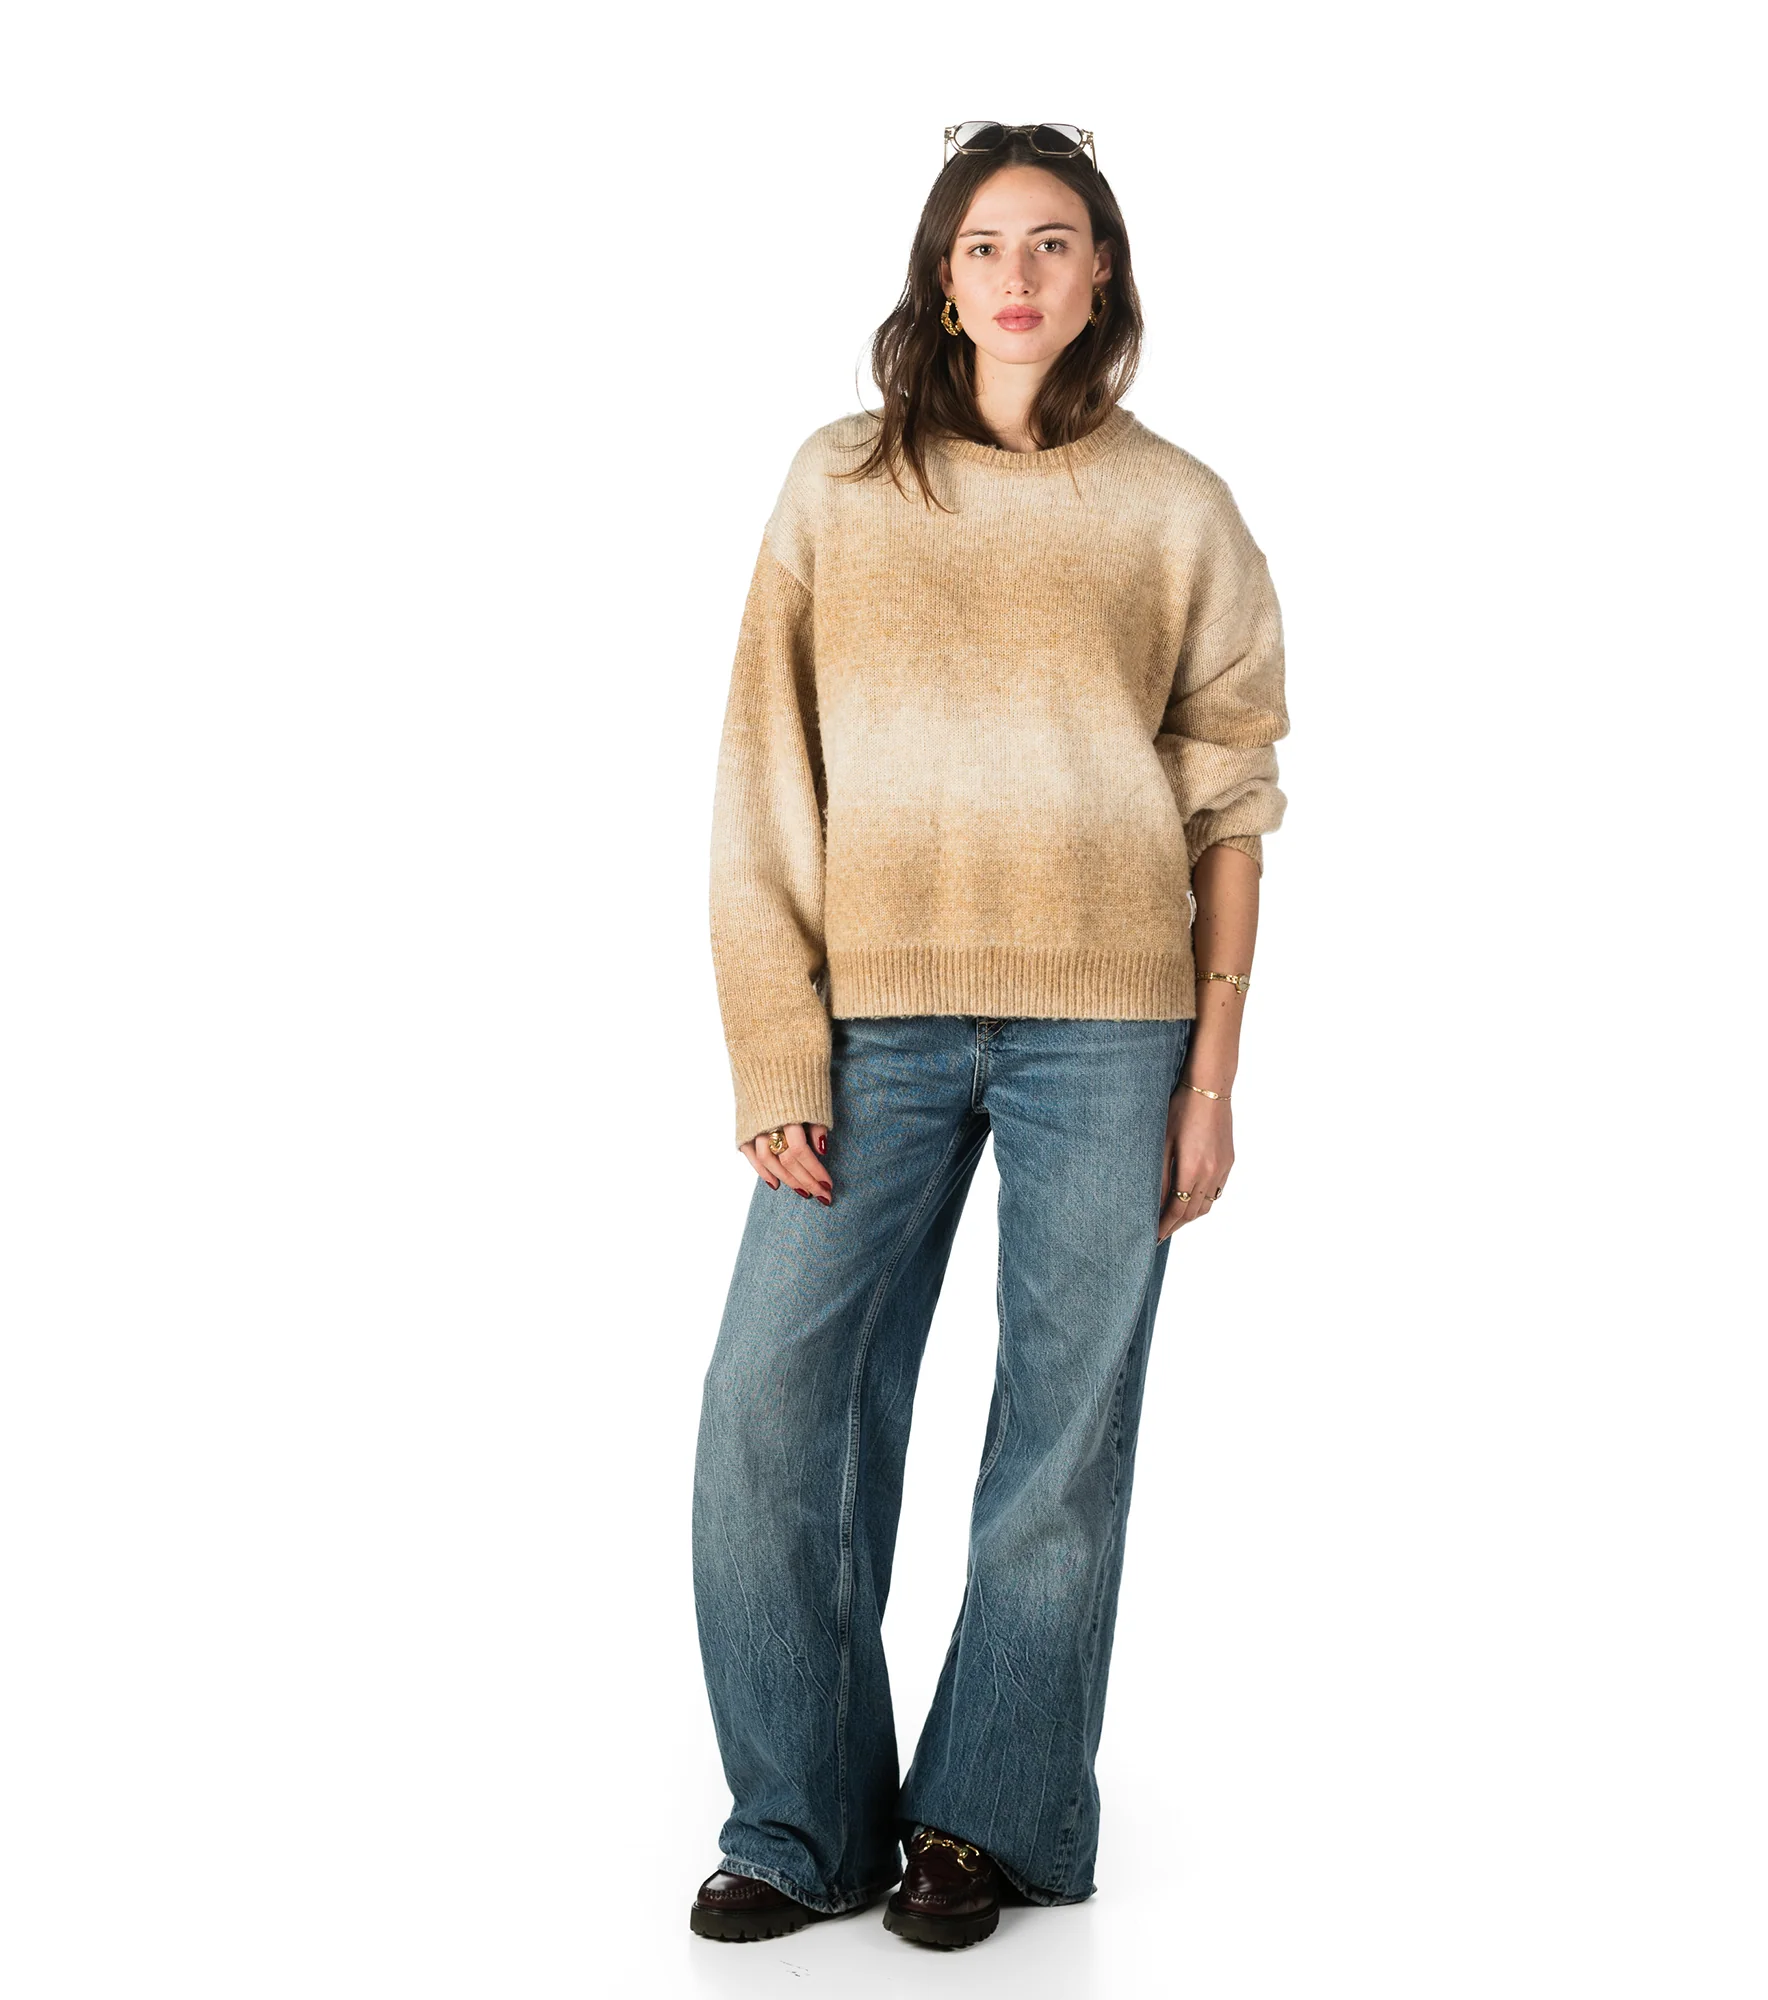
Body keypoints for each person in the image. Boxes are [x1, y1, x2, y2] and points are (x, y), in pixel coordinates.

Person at [689, 119, 1290, 1951]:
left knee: (1061, 1432)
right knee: (775, 1406)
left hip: (1109, 1033)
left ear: (1101, 273)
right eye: (981, 246)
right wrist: (774, 1047)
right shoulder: (841, 484)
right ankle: (803, 1824)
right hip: (870, 1019)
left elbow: (1230, 804)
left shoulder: (1179, 510)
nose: (1016, 274)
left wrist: (1211, 1075)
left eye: (1052, 241)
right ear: (940, 281)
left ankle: (988, 1820)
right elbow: (765, 772)